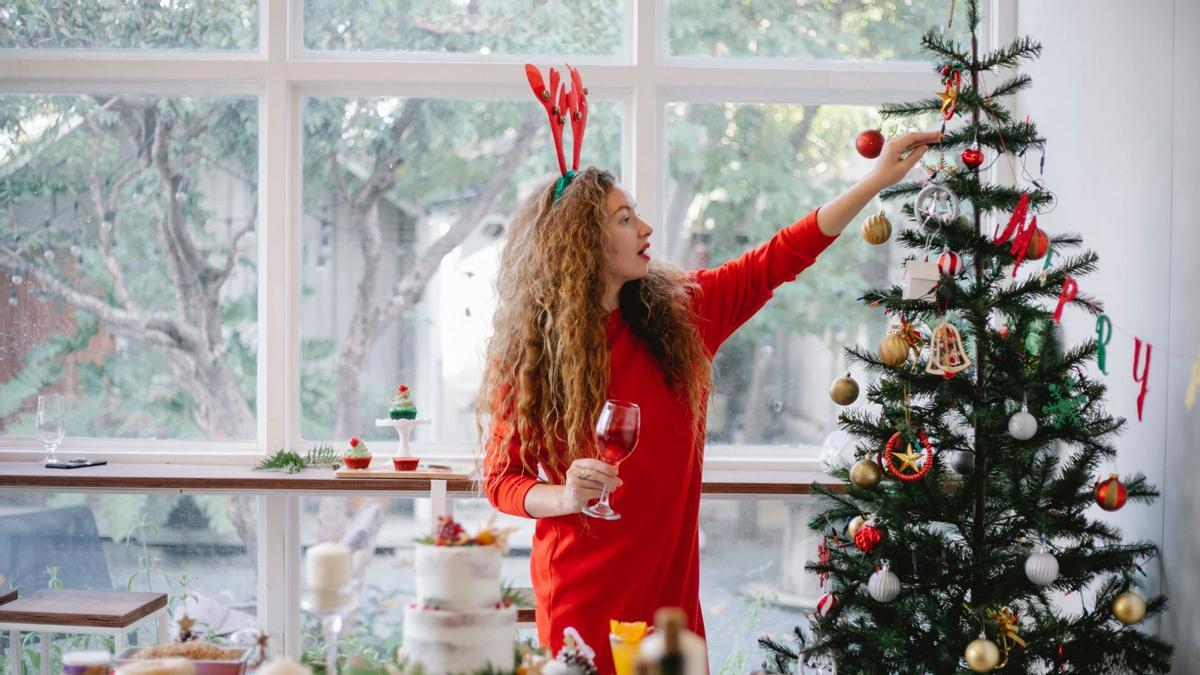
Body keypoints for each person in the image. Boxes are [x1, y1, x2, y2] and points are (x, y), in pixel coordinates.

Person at [482, 59, 942, 675]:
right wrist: (562, 495)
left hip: (669, 603)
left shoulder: (683, 316)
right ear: (584, 245)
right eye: (624, 219)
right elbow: (500, 480)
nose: (645, 228)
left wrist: (876, 182)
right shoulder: (532, 356)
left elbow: (780, 256)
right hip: (579, 596)